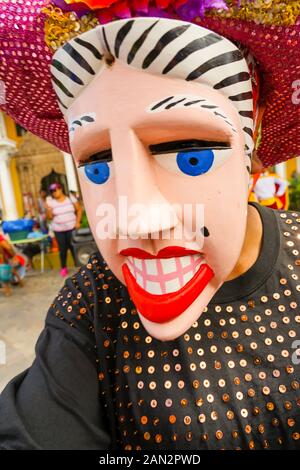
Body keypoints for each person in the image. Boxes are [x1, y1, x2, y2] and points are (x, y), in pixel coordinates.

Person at [0, 0, 299, 451]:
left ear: (249, 149)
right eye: (97, 164)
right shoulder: (92, 306)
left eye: (189, 154)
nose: (134, 220)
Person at [45, 182, 82, 277]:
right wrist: (48, 209)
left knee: (74, 247)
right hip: (59, 230)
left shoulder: (70, 198)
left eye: (56, 189)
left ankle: (78, 266)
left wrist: (78, 222)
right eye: (52, 191)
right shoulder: (51, 202)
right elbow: (49, 217)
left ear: (60, 189)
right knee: (63, 249)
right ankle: (63, 268)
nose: (54, 192)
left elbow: (79, 209)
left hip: (71, 228)